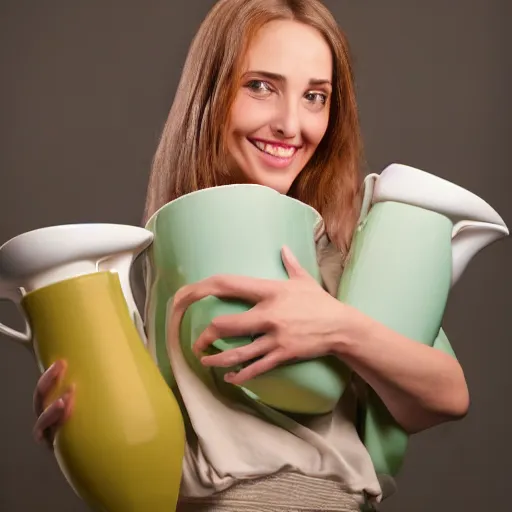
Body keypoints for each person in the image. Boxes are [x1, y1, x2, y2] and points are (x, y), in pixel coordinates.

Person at [32, 0, 470, 510]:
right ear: (209, 95)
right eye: (260, 86)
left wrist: (338, 326)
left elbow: (446, 396)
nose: (290, 124)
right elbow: (144, 457)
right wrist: (83, 425)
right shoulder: (145, 269)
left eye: (315, 96)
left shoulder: (343, 253)